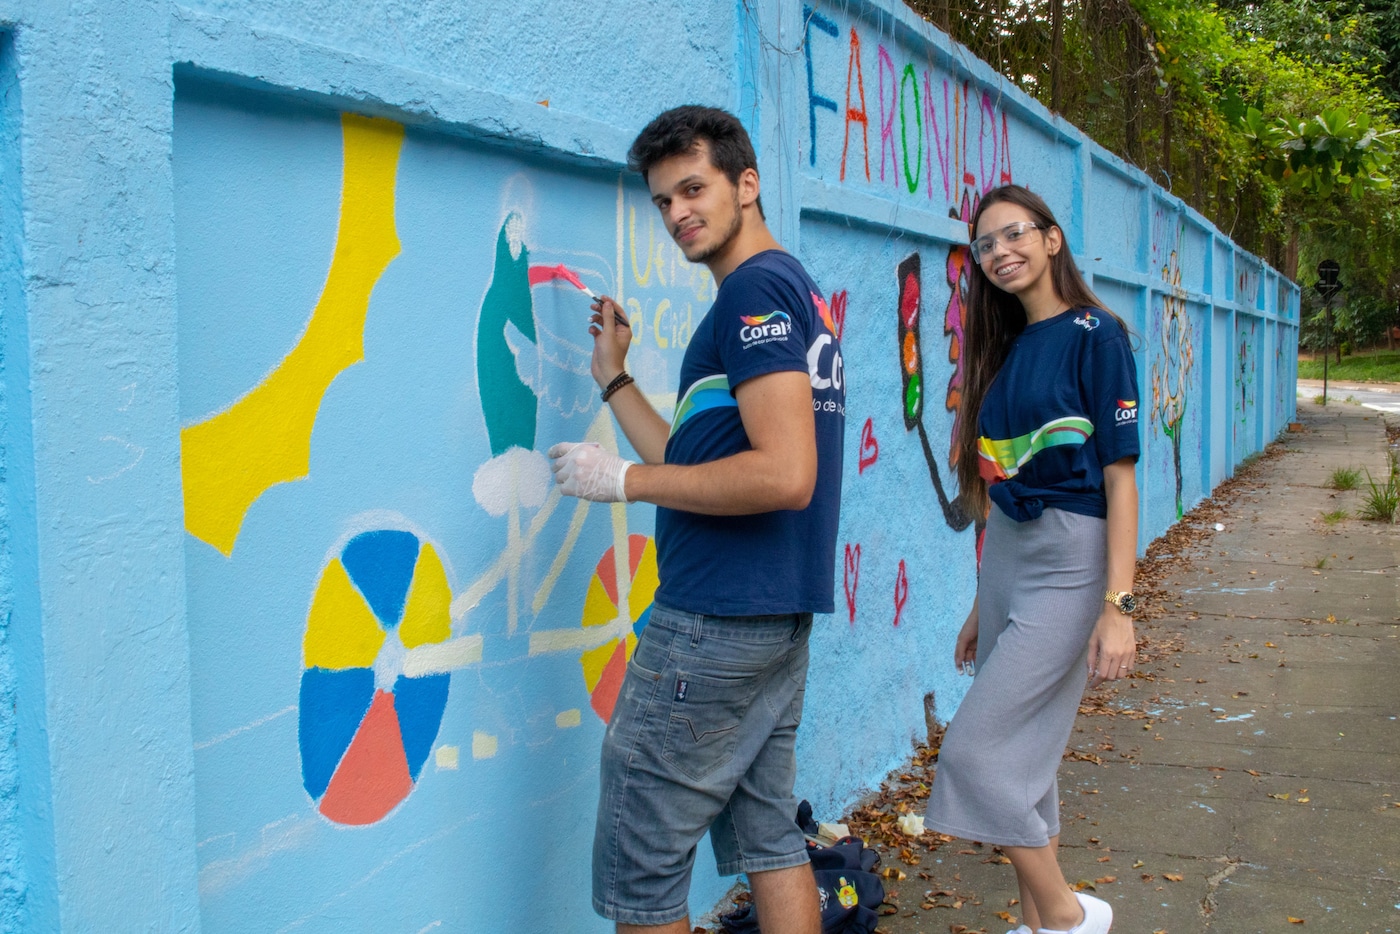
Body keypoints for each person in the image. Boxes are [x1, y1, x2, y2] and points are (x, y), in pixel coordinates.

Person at [547, 105, 845, 934]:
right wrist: (616, 381)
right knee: (768, 833)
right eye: (662, 201)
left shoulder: (753, 291)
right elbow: (698, 460)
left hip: (715, 618)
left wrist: (624, 481)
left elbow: (785, 474)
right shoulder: (785, 291)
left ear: (746, 185)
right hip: (773, 617)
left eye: (693, 188)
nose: (678, 213)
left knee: (641, 871)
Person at [923, 185, 1140, 934]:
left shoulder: (1096, 334)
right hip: (1009, 560)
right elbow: (997, 490)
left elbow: (1120, 477)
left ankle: (1069, 917)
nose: (999, 253)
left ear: (1051, 240)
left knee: (977, 754)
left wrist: (1119, 606)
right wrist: (983, 605)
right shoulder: (1007, 346)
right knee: (1026, 763)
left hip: (1071, 558)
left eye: (1013, 235)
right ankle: (1041, 927)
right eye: (984, 246)